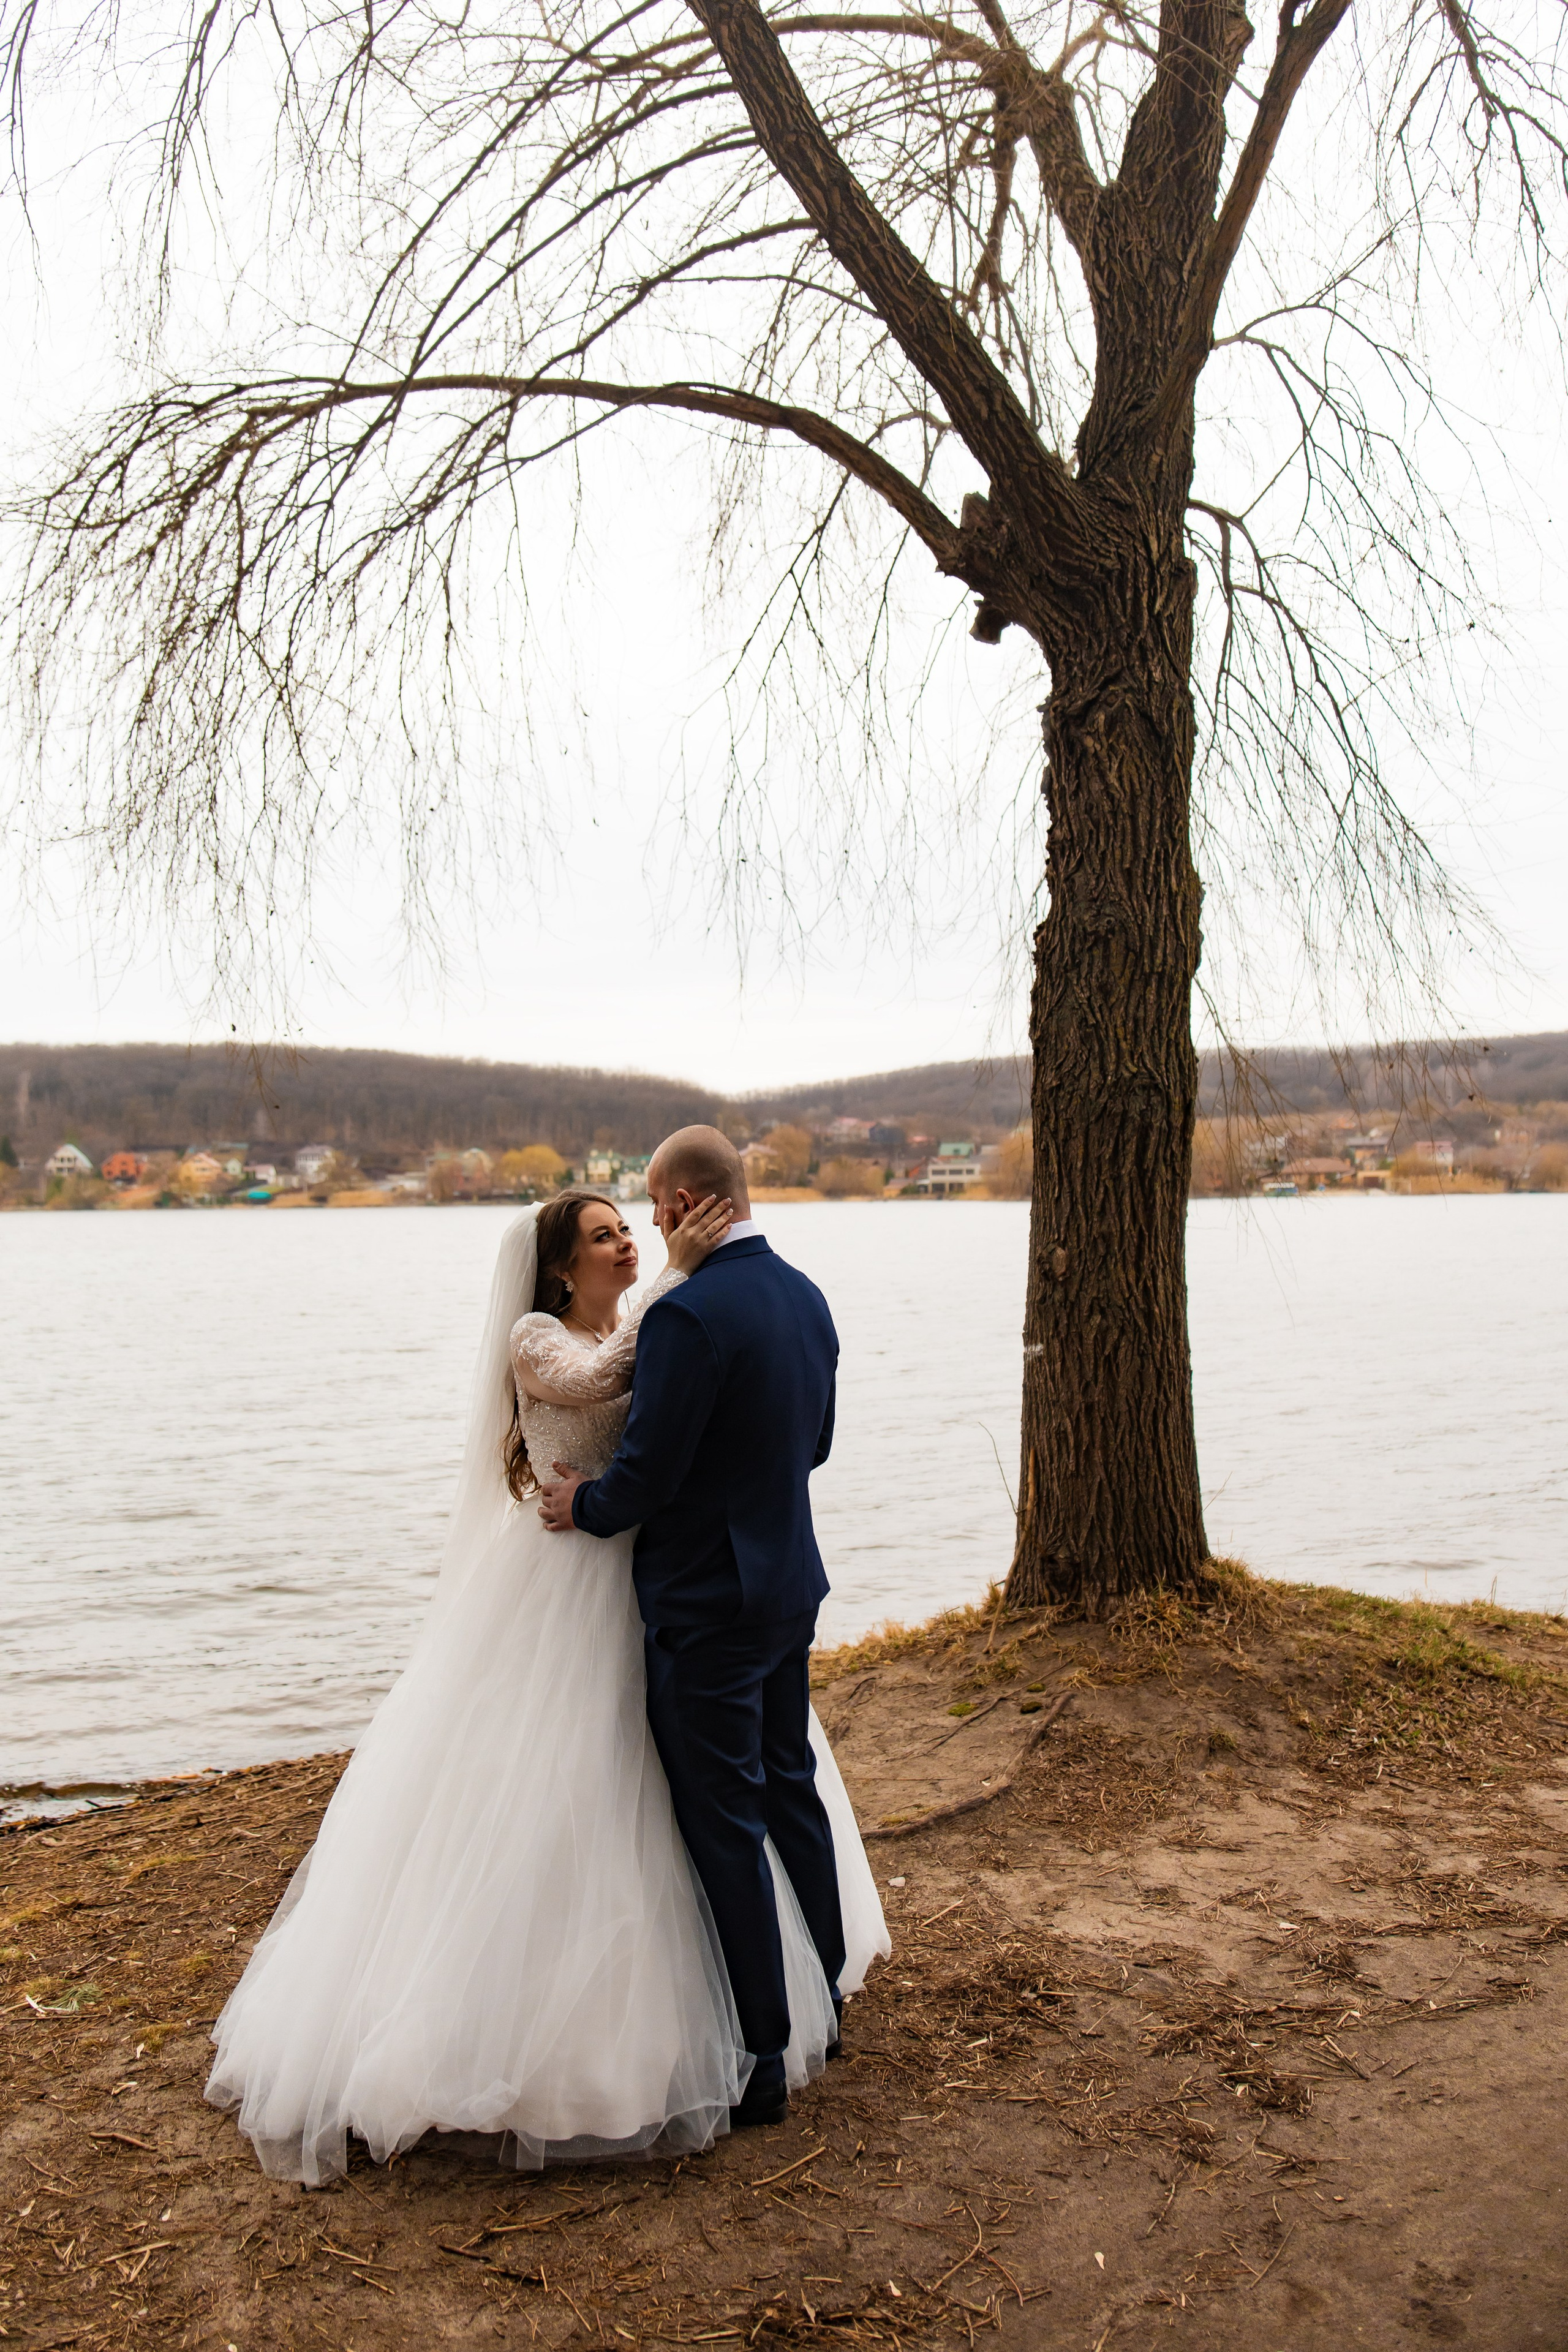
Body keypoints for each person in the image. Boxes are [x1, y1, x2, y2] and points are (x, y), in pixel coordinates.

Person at [207, 1183, 887, 2184]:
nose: (625, 1241)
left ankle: (757, 2006)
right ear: (564, 1266)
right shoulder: (540, 1337)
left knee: (716, 1793)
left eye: (629, 1227)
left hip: (663, 1574)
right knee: (567, 1785)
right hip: (569, 1580)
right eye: (604, 1235)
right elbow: (599, 1374)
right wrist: (680, 1275)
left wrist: (673, 1289)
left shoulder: (663, 1320)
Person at [538, 1128, 862, 2128]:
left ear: (681, 1203)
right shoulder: (806, 1297)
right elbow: (814, 1444)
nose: (648, 1225)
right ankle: (830, 1996)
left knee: (723, 1820)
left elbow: (646, 1479)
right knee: (790, 1786)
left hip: (706, 1605)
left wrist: (580, 1506)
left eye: (651, 1206)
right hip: (786, 1586)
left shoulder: (687, 1319)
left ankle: (765, 2052)